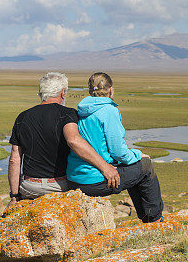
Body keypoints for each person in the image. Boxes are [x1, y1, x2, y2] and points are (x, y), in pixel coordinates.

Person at [8, 72, 120, 204]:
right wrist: (105, 167)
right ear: (62, 93)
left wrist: (14, 195)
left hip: (30, 186)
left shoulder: (23, 117)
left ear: (41, 92)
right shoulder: (67, 114)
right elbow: (74, 141)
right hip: (59, 185)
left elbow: (15, 160)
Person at [66, 72, 164, 223]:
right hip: (95, 180)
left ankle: (147, 217)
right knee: (145, 166)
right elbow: (118, 152)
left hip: (75, 178)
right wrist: (138, 155)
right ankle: (155, 219)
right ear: (111, 90)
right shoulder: (109, 111)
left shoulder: (83, 110)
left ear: (90, 91)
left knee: (132, 166)